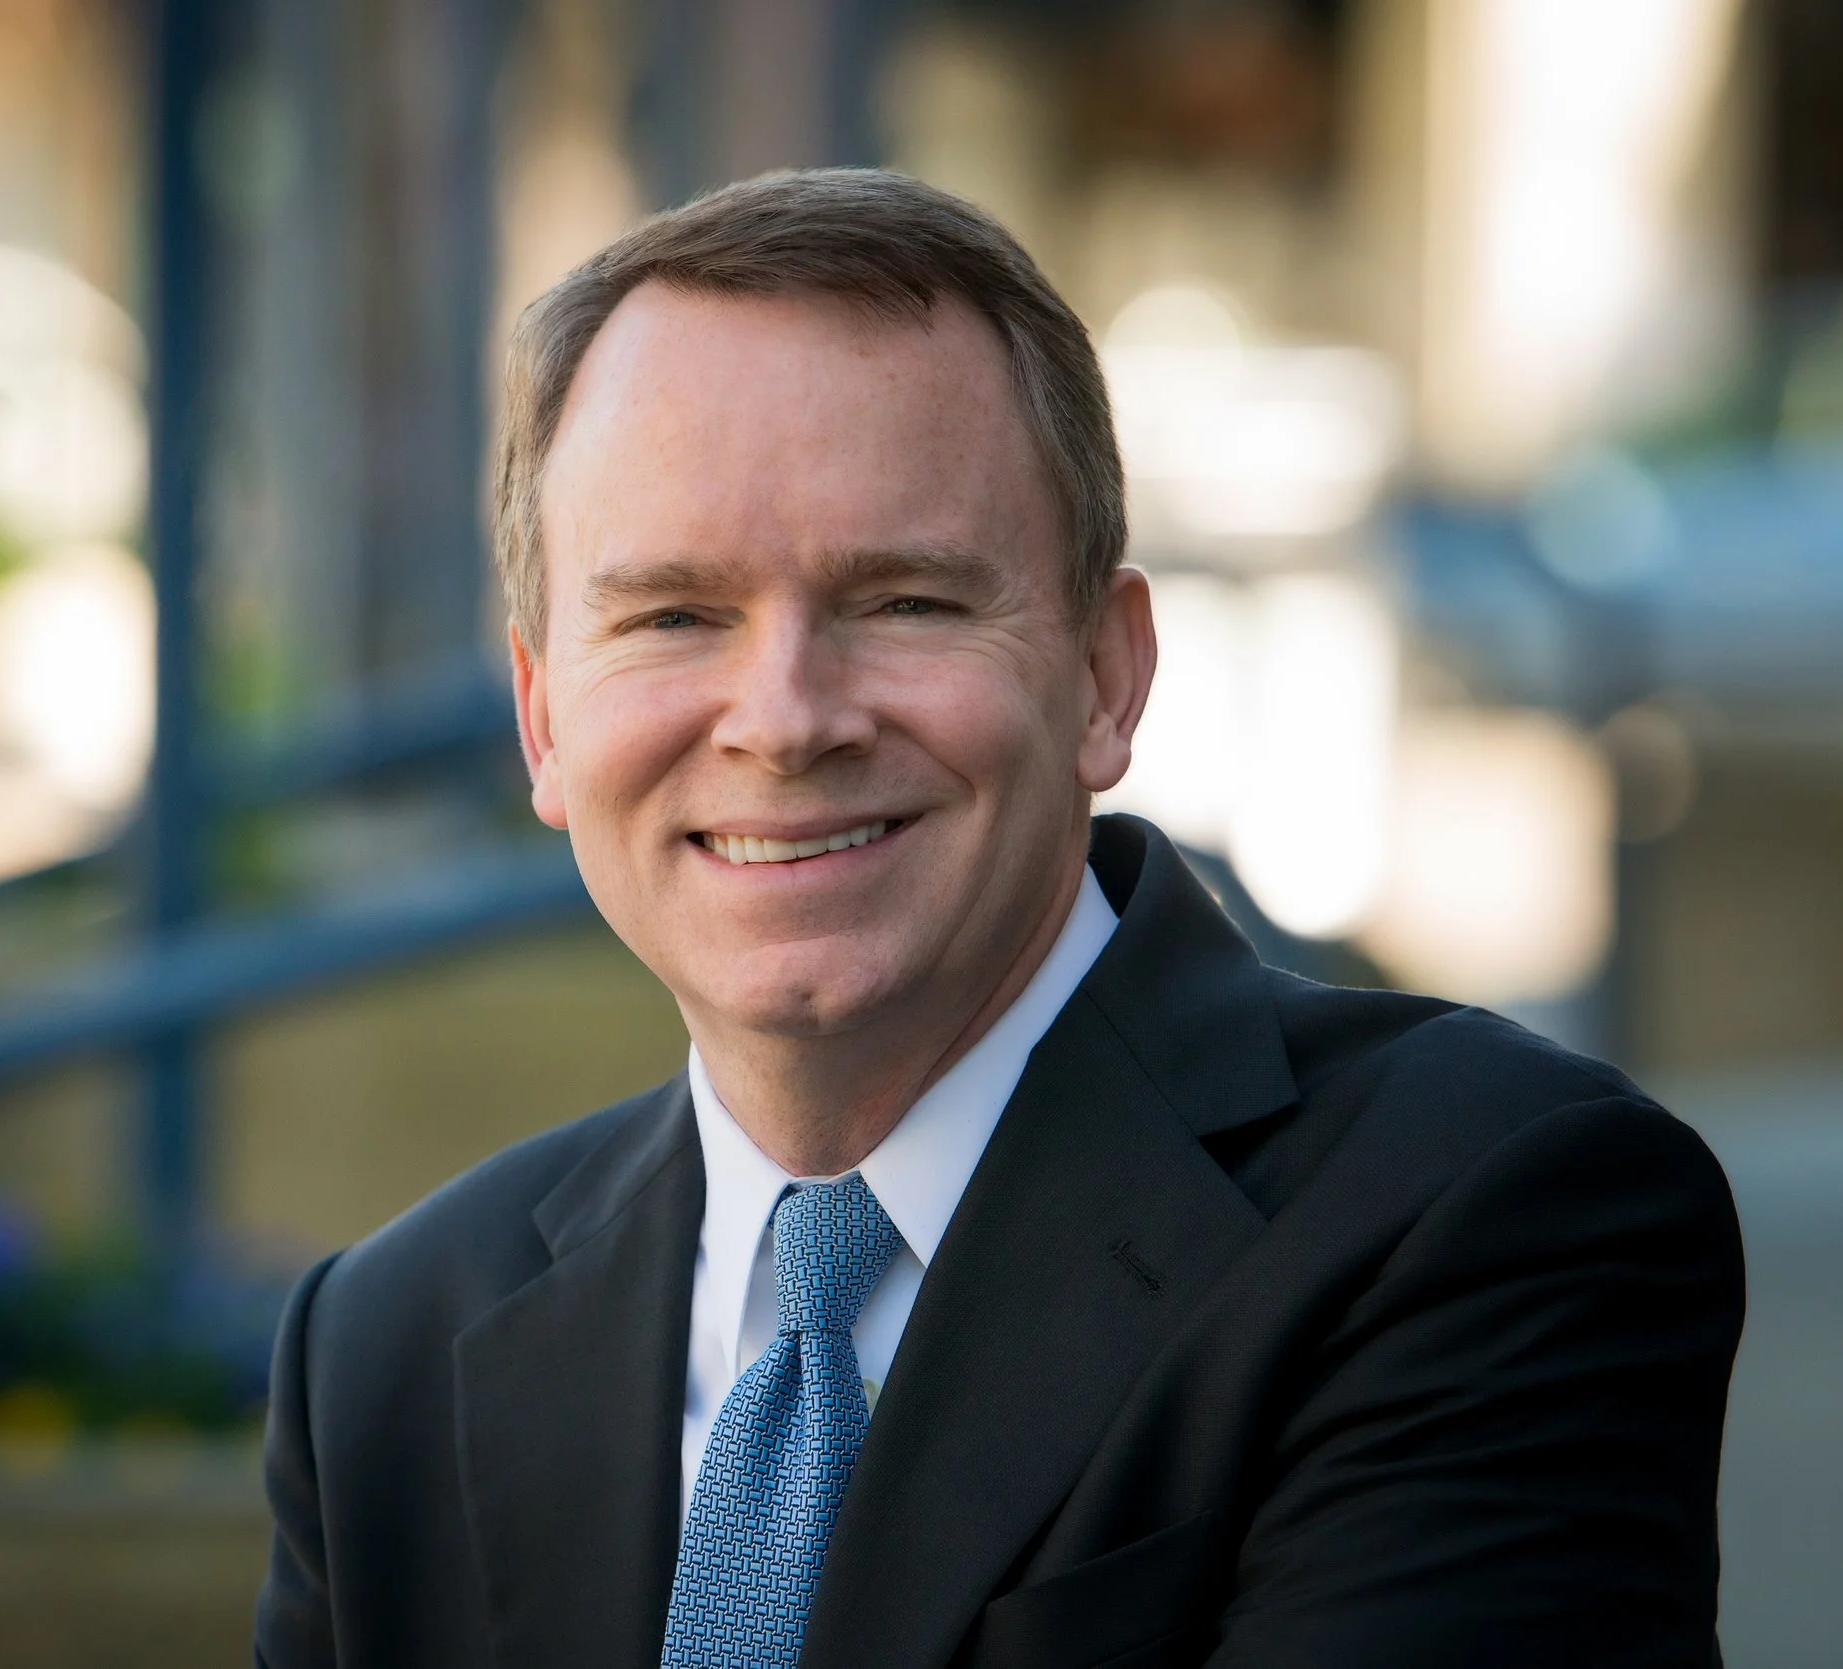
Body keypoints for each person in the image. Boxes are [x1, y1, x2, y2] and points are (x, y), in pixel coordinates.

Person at [253, 170, 1744, 1669]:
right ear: (542, 721)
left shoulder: (1481, 1217)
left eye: (904, 602)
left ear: (1106, 676)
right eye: (674, 616)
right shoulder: (385, 1351)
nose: (785, 719)